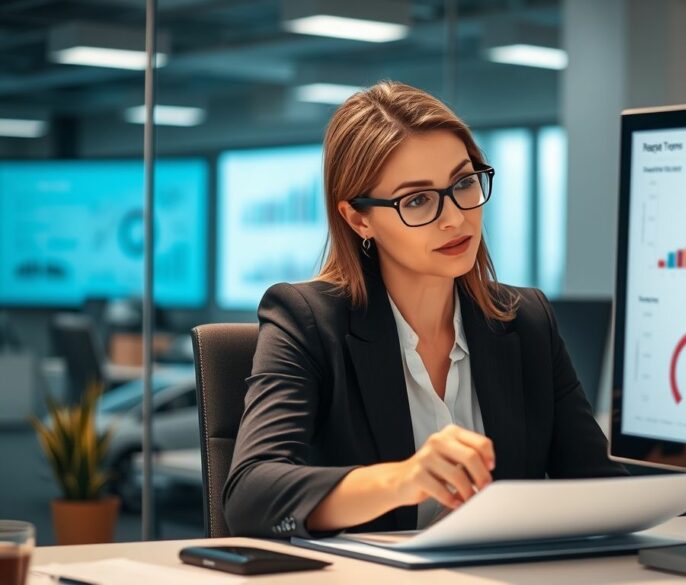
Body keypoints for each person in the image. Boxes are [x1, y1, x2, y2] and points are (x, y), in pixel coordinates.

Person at [223, 81, 627, 538]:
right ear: (359, 219)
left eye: (463, 183)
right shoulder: (306, 319)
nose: (454, 217)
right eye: (416, 199)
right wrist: (404, 479)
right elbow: (249, 497)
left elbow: (597, 486)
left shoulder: (527, 320)